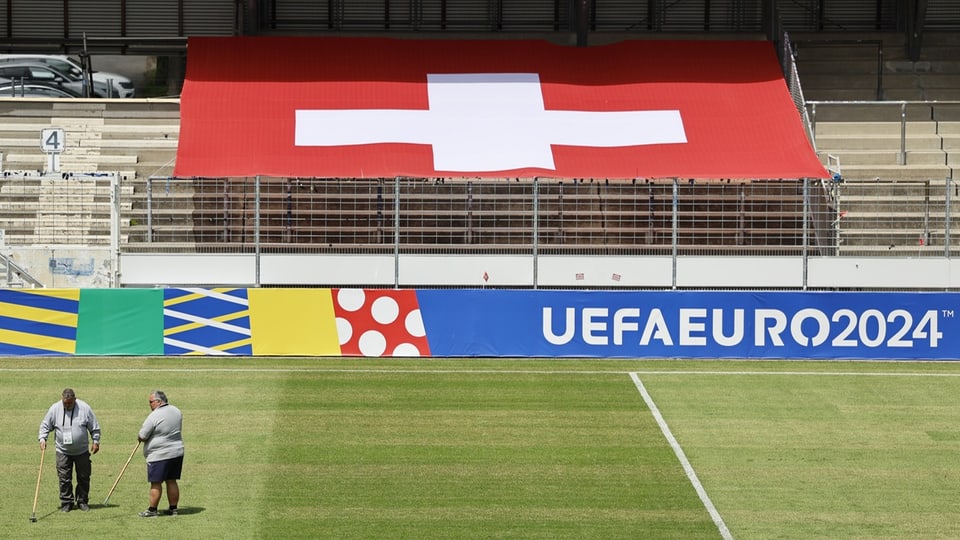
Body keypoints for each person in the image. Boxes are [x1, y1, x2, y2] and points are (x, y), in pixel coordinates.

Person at [38, 387, 101, 512]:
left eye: (70, 404)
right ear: (62, 400)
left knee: (84, 477)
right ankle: (66, 502)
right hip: (62, 451)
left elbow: (94, 426)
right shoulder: (55, 409)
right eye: (65, 404)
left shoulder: (84, 408)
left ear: (75, 400)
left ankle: (82, 501)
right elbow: (45, 425)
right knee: (64, 478)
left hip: (82, 451)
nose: (67, 406)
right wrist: (42, 438)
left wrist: (96, 441)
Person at [137, 390, 184, 517]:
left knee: (156, 482)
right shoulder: (177, 411)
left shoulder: (154, 415)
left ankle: (152, 510)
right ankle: (173, 509)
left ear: (159, 401)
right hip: (177, 452)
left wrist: (140, 438)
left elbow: (143, 435)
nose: (150, 405)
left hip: (159, 455)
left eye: (151, 402)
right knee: (171, 480)